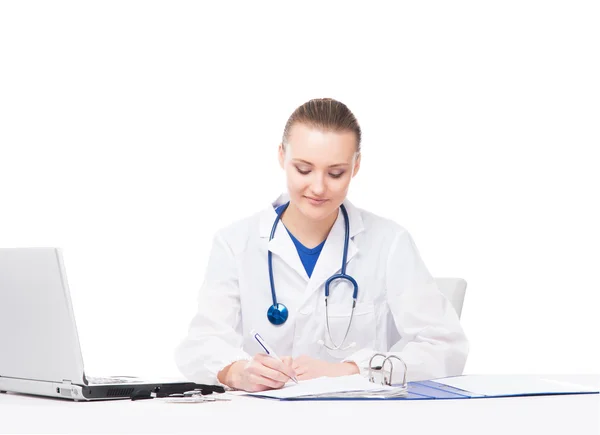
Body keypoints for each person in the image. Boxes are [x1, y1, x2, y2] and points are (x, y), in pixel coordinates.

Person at [175, 98, 468, 392]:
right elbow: (201, 344)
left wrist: (349, 370)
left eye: (335, 173)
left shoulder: (389, 243)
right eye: (303, 169)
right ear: (281, 156)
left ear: (356, 166)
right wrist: (237, 372)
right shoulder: (235, 243)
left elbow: (445, 347)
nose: (318, 187)